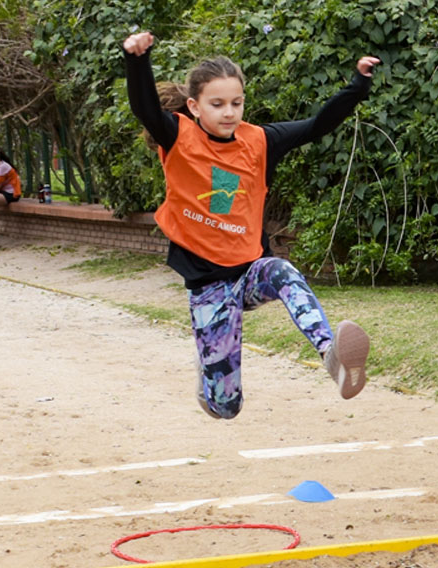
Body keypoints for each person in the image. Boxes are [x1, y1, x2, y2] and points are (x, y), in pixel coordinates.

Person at [123, 30, 377, 420]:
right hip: (208, 284)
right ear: (194, 106)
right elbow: (144, 109)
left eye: (237, 103)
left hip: (250, 272)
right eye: (217, 104)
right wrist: (137, 60)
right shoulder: (177, 135)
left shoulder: (259, 141)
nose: (229, 113)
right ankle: (209, 378)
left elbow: (316, 125)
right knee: (226, 408)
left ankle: (332, 355)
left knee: (283, 271)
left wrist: (358, 86)